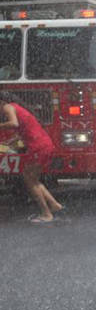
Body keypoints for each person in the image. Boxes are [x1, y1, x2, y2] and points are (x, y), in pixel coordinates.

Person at [0, 91, 63, 223]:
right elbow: (24, 129)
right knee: (33, 179)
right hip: (45, 144)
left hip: (37, 147)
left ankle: (46, 214)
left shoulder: (7, 107)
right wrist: (10, 142)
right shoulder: (17, 107)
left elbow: (14, 124)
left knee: (30, 180)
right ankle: (54, 205)